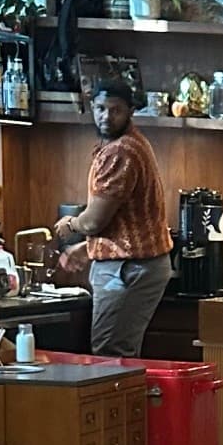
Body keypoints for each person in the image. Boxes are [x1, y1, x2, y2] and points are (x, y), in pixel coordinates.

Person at [52, 80, 172, 356]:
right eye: (100, 108)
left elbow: (95, 221)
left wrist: (70, 225)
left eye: (115, 110)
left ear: (130, 110)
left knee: (111, 354)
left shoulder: (121, 151)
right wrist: (88, 248)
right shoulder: (126, 145)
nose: (106, 116)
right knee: (118, 354)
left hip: (129, 269)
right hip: (135, 264)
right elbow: (124, 220)